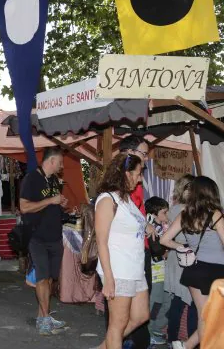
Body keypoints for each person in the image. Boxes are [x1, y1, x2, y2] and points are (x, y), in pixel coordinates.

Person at [160, 176, 224, 349]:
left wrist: (182, 247)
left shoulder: (185, 214)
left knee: (206, 317)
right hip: (217, 273)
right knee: (212, 318)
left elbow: (164, 240)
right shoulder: (215, 214)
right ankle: (188, 346)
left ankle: (185, 346)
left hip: (194, 270)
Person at [94, 153, 149, 349]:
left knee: (141, 315)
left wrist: (148, 227)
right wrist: (109, 279)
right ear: (126, 174)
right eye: (137, 173)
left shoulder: (125, 199)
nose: (140, 178)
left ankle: (103, 347)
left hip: (134, 267)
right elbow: (101, 241)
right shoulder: (107, 200)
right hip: (118, 269)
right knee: (117, 324)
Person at [19, 147, 68, 335]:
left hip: (55, 237)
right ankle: (45, 319)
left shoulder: (54, 180)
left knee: (50, 278)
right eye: (61, 162)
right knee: (41, 278)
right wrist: (50, 201)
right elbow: (24, 207)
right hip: (37, 237)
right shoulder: (32, 178)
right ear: (52, 161)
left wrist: (60, 203)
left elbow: (51, 202)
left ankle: (43, 317)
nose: (62, 166)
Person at [115, 135, 155, 349]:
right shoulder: (116, 185)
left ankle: (118, 341)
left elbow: (137, 209)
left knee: (139, 313)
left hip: (140, 251)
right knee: (119, 315)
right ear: (129, 153)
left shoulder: (134, 180)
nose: (146, 159)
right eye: (143, 153)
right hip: (125, 256)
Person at [164, 174, 198, 344]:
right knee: (191, 304)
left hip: (174, 257)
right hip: (184, 257)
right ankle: (190, 343)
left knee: (177, 302)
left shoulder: (173, 209)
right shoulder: (188, 210)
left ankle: (172, 339)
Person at [144, 196, 170, 345]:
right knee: (155, 302)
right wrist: (165, 249)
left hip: (161, 270)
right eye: (164, 213)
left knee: (165, 300)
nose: (166, 216)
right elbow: (155, 249)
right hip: (154, 271)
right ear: (154, 213)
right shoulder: (150, 226)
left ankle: (156, 328)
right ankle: (150, 331)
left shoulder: (159, 226)